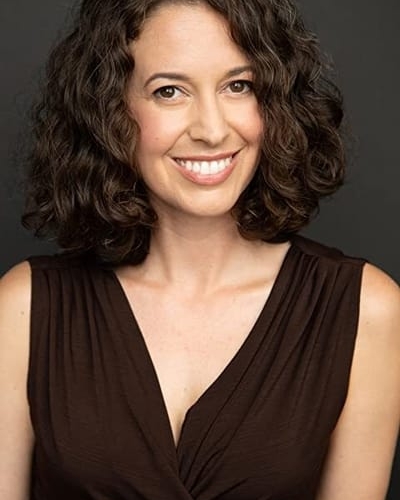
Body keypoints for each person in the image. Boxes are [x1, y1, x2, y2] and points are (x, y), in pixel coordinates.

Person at [1, 0, 399, 498]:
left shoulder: (365, 309)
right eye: (169, 91)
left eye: (239, 86)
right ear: (108, 110)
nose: (211, 130)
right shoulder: (23, 308)